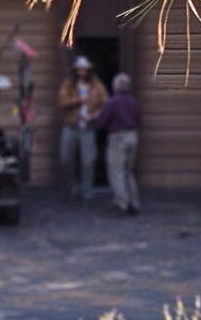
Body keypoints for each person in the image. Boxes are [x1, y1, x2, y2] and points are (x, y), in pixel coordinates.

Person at [56, 56, 106, 200]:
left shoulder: (97, 85)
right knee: (66, 158)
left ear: (89, 69)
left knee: (88, 161)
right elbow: (62, 103)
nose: (82, 71)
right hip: (70, 125)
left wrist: (94, 116)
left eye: (85, 68)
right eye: (79, 68)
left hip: (88, 127)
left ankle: (87, 190)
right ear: (75, 70)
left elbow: (105, 104)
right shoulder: (68, 84)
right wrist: (79, 100)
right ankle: (74, 185)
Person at [102, 71, 141, 215]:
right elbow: (138, 119)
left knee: (117, 171)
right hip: (133, 136)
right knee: (129, 171)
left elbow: (103, 120)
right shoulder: (133, 102)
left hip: (118, 138)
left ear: (116, 86)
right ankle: (134, 202)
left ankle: (122, 203)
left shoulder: (112, 102)